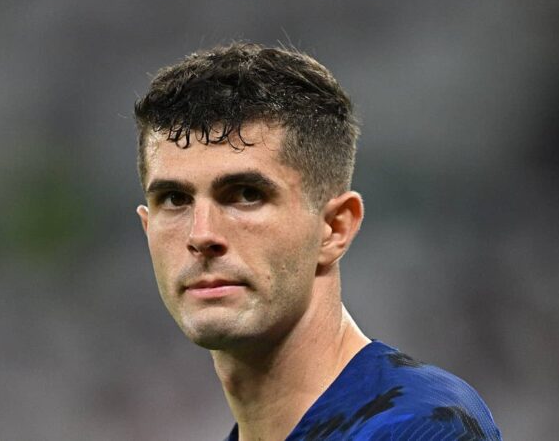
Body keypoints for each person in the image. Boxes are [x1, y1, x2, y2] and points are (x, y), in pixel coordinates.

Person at [133, 42, 501, 441]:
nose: (201, 234)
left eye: (246, 194)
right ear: (147, 227)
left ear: (334, 228)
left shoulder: (421, 426)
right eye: (175, 199)